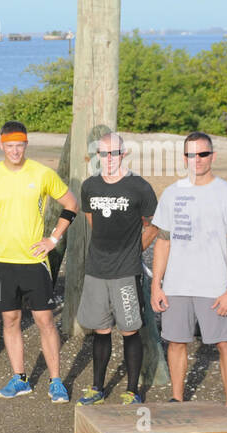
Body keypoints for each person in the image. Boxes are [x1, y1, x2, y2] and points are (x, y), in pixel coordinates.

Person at [0, 121, 79, 402]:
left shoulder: (42, 173)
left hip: (34, 262)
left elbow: (71, 204)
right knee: (10, 319)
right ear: (2, 146)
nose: (15, 151)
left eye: (19, 145)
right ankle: (20, 378)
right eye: (9, 146)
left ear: (26, 145)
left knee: (44, 320)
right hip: (1, 262)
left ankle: (56, 381)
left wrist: (53, 240)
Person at [151, 132, 227, 411]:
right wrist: (156, 285)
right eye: (191, 155)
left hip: (215, 288)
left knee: (224, 344)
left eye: (203, 154)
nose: (197, 160)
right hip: (176, 286)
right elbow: (163, 241)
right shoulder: (172, 193)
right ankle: (177, 398)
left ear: (213, 156)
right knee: (176, 342)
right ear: (184, 158)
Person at [76, 133, 158, 405]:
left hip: (126, 271)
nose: (108, 159)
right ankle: (97, 388)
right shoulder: (90, 186)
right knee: (100, 330)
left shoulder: (139, 187)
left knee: (129, 329)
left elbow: (154, 224)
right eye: (103, 154)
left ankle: (133, 391)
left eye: (113, 153)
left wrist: (134, 250)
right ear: (97, 156)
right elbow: (92, 220)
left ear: (124, 154)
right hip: (97, 268)